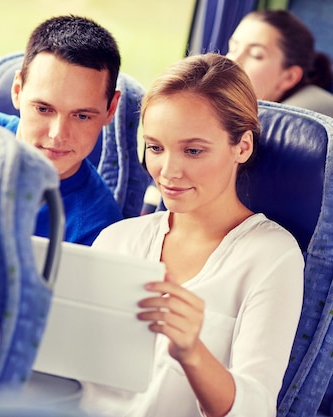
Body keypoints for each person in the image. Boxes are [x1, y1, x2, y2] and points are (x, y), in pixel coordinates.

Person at [80, 54, 304, 417]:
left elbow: (257, 408)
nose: (168, 171)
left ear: (242, 147)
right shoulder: (116, 241)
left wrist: (192, 352)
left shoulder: (270, 256)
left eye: (193, 150)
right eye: (155, 147)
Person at [0, 15, 123, 246]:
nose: (58, 134)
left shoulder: (98, 230)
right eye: (44, 109)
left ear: (111, 108)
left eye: (82, 116)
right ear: (17, 90)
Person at [226, 9, 333, 118]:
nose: (232, 61)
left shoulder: (297, 122)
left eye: (256, 55)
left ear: (289, 77)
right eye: (233, 48)